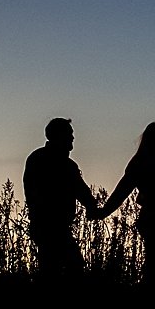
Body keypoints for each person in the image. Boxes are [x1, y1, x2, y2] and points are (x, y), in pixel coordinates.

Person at [95, 121, 155, 290]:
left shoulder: (152, 162)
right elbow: (122, 191)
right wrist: (104, 212)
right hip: (154, 220)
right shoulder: (141, 163)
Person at [23, 118, 99, 283]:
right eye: (69, 134)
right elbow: (81, 191)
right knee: (68, 266)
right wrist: (93, 208)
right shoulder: (45, 161)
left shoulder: (56, 162)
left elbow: (82, 191)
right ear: (58, 136)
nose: (72, 138)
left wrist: (92, 206)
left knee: (55, 268)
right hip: (49, 225)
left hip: (53, 226)